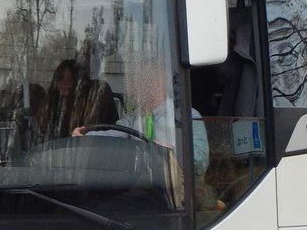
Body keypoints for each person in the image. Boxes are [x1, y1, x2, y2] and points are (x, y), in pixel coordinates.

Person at [74, 59, 208, 176]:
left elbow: (200, 163)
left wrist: (169, 153)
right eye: (135, 82)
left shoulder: (188, 116)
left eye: (142, 81)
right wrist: (86, 136)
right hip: (141, 186)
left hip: (179, 190)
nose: (135, 87)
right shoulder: (133, 119)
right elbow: (113, 134)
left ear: (159, 83)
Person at [45, 59, 117, 140]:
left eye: (71, 79)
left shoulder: (96, 95)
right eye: (60, 78)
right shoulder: (56, 105)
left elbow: (88, 135)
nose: (65, 84)